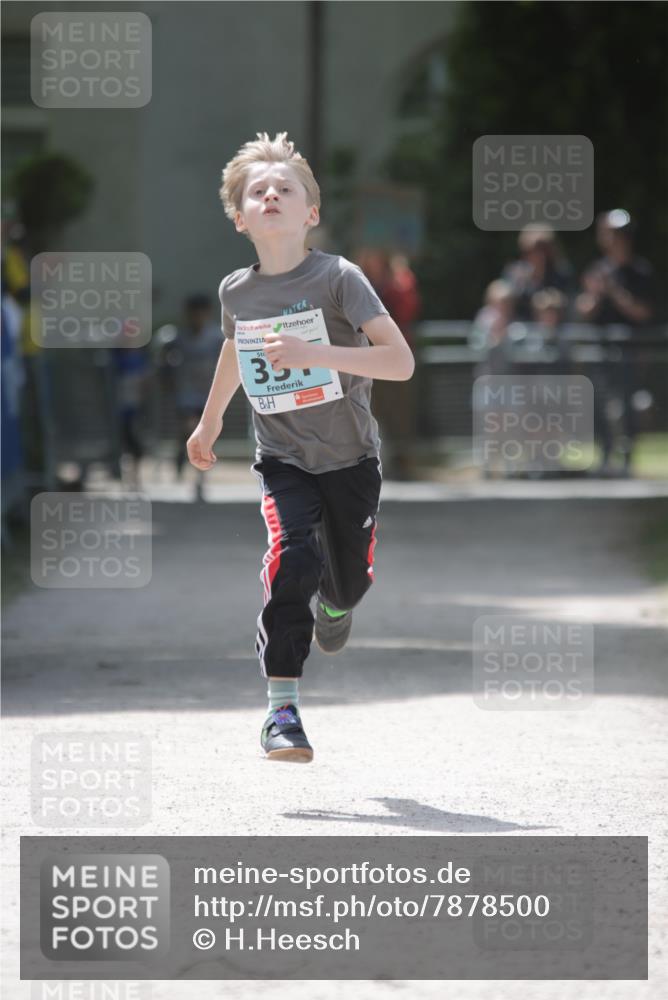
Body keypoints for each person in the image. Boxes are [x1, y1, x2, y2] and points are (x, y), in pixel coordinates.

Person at [186, 132, 414, 762]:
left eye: (286, 188)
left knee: (346, 582)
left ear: (310, 212)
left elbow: (399, 362)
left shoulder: (340, 278)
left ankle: (337, 607)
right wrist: (208, 425)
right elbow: (237, 352)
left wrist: (318, 355)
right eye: (258, 191)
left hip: (350, 460)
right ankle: (280, 709)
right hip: (283, 458)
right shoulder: (237, 291)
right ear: (241, 218)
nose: (272, 195)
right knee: (291, 561)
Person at [576, 209, 654, 474]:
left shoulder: (641, 271)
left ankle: (628, 460)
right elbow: (582, 312)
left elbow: (645, 313)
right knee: (599, 401)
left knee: (628, 404)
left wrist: (616, 293)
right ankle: (605, 456)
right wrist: (597, 294)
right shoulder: (596, 270)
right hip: (600, 350)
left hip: (631, 350)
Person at [167, 294, 224, 498]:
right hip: (187, 394)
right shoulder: (178, 337)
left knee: (205, 437)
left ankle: (200, 479)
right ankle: (183, 456)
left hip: (209, 394)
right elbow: (164, 358)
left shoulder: (216, 336)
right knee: (190, 428)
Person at [501, 224, 573, 321]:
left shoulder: (561, 272)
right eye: (532, 250)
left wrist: (549, 301)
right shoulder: (515, 272)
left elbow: (568, 300)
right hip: (519, 328)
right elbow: (506, 300)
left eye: (543, 249)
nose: (537, 255)